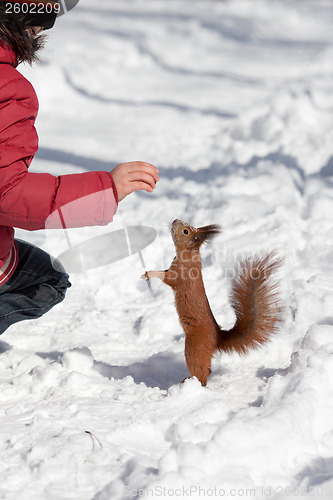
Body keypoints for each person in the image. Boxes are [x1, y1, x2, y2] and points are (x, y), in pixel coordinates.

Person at [0, 0, 159, 335]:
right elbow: (7, 194)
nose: (40, 33)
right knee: (48, 279)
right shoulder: (9, 91)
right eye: (37, 27)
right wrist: (105, 190)